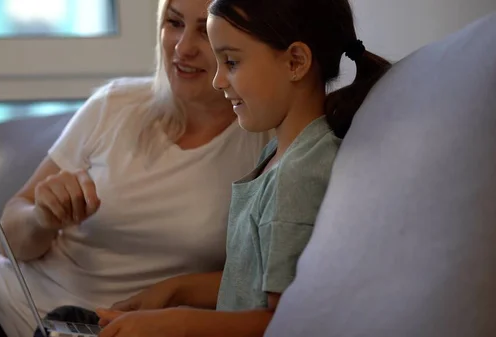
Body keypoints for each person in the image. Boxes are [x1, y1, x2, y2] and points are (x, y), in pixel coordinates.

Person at [0, 0, 271, 335]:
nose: (182, 47)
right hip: (3, 295)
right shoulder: (116, 103)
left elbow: (263, 284)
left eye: (204, 31)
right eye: (173, 22)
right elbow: (10, 239)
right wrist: (42, 217)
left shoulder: (265, 143)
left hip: (108, 327)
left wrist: (178, 292)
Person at [91, 0, 392, 336]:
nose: (219, 81)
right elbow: (253, 283)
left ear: (296, 62)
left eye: (231, 62)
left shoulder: (300, 174)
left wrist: (178, 322)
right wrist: (175, 290)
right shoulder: (282, 155)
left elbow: (285, 323)